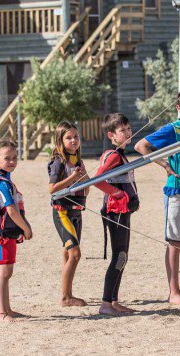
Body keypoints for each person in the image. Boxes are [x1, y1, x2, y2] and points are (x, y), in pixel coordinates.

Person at [134, 87, 180, 305]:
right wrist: (163, 163)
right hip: (177, 191)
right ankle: (174, 292)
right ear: (178, 108)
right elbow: (141, 146)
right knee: (175, 242)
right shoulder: (173, 129)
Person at [90, 113, 140, 316]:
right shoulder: (113, 155)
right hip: (116, 212)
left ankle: (114, 301)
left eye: (128, 129)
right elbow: (97, 179)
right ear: (111, 135)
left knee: (123, 256)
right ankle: (105, 303)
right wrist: (117, 194)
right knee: (119, 256)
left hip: (123, 212)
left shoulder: (120, 153)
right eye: (122, 130)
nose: (127, 133)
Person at [0, 139, 33, 322]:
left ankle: (8, 309)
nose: (12, 161)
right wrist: (26, 228)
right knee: (4, 272)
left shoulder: (7, 179)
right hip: (3, 234)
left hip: (10, 233)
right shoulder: (2, 183)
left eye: (15, 157)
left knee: (8, 272)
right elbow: (11, 210)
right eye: (7, 158)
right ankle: (2, 313)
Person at [47, 121, 89, 307]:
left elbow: (86, 190)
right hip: (62, 212)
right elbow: (52, 189)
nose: (73, 140)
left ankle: (68, 293)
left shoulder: (78, 161)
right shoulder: (58, 163)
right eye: (68, 138)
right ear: (60, 141)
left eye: (76, 136)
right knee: (75, 253)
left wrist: (85, 177)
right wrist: (73, 178)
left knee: (67, 253)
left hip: (77, 212)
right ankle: (65, 298)